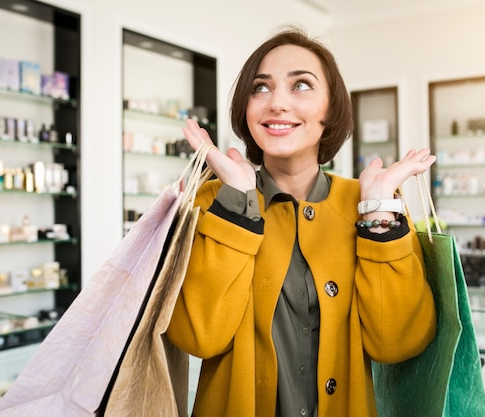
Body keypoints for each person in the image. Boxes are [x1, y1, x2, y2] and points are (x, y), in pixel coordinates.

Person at [167, 25, 437, 417]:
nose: (276, 103)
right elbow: (198, 336)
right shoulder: (215, 201)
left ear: (331, 109)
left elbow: (396, 342)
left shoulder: (368, 204)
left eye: (301, 86)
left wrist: (378, 212)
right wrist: (238, 202)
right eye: (260, 88)